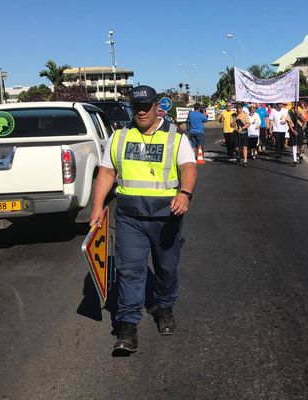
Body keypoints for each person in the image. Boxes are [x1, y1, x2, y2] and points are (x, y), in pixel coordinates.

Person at [89, 85, 197, 356]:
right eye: (136, 106)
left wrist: (185, 194)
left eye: (146, 106)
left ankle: (164, 307)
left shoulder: (175, 137)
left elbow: (189, 167)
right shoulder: (119, 137)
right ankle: (127, 326)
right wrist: (97, 207)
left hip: (166, 217)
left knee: (166, 269)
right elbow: (106, 172)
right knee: (130, 270)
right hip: (130, 218)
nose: (141, 111)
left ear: (156, 106)